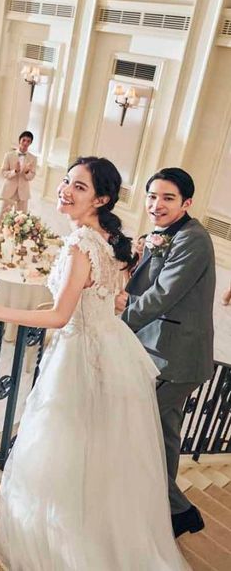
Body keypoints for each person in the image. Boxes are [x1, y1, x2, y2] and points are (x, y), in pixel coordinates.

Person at [0, 156, 189, 570]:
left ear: (101, 199)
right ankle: (100, 534)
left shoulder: (81, 245)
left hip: (79, 352)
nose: (65, 190)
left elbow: (59, 317)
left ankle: (62, 541)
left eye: (79, 187)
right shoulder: (107, 238)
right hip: (111, 347)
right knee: (97, 448)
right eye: (67, 181)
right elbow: (111, 297)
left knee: (64, 442)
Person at [117, 168, 215, 538]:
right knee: (165, 437)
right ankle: (173, 512)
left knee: (131, 423)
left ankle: (178, 510)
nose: (156, 204)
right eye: (152, 196)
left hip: (175, 359)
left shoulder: (194, 239)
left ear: (187, 203)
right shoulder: (165, 233)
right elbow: (146, 284)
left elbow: (162, 295)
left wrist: (119, 322)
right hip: (164, 353)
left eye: (168, 198)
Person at [0, 130, 37, 218]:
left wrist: (26, 172)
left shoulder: (33, 158)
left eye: (28, 141)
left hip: (23, 192)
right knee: (3, 216)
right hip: (9, 190)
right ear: (19, 140)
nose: (25, 143)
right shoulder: (9, 155)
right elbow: (3, 173)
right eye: (24, 140)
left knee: (21, 218)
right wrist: (15, 171)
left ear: (31, 143)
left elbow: (32, 176)